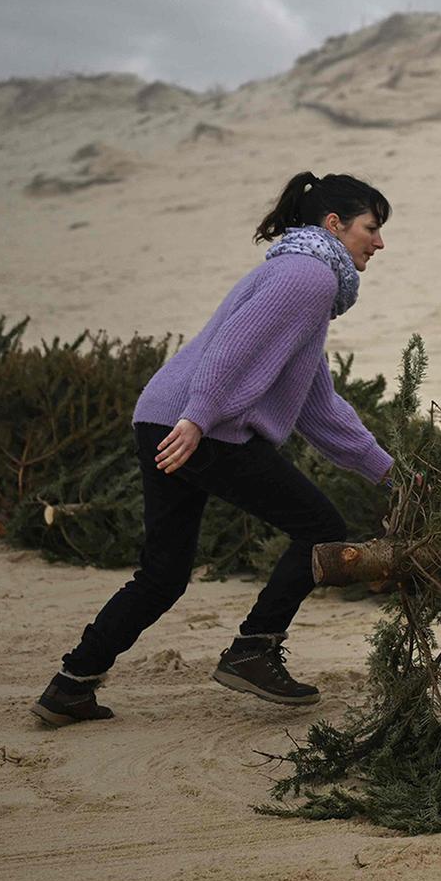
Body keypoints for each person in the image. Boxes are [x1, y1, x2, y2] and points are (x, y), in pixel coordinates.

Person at [32, 172, 395, 726]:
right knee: (320, 527)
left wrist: (391, 473)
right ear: (334, 225)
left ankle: (70, 687)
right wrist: (199, 417)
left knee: (163, 574)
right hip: (199, 427)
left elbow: (317, 405)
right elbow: (232, 349)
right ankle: (254, 649)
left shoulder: (295, 272)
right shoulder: (310, 276)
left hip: (163, 418)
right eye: (371, 228)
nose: (380, 242)